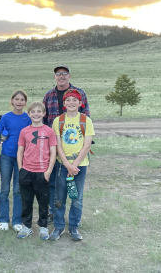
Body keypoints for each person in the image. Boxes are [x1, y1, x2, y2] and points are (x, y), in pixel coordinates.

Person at [42, 64, 90, 224]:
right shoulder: (48, 95)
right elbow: (42, 120)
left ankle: (74, 219)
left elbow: (86, 117)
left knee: (75, 187)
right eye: (58, 74)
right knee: (54, 183)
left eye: (64, 73)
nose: (61, 76)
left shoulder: (80, 93)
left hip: (75, 150)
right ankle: (53, 213)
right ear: (54, 76)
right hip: (53, 147)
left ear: (70, 76)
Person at [50, 89, 95, 241]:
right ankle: (59, 226)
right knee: (59, 197)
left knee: (77, 197)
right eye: (68, 100)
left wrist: (74, 165)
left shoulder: (85, 120)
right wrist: (67, 165)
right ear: (64, 104)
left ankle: (74, 226)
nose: (71, 103)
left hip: (80, 165)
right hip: (62, 165)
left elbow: (87, 145)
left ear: (80, 103)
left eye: (74, 100)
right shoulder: (58, 121)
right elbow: (57, 145)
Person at [16, 101, 57, 240]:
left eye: (39, 111)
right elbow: (20, 151)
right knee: (26, 201)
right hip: (26, 172)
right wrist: (21, 169)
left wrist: (48, 171)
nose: (36, 114)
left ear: (44, 114)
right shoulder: (24, 131)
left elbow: (53, 152)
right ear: (29, 114)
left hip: (42, 172)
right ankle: (26, 226)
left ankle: (43, 227)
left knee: (43, 202)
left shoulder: (49, 131)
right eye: (33, 111)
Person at [0, 90, 31, 232]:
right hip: (6, 157)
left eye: (22, 100)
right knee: (4, 189)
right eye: (17, 99)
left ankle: (16, 220)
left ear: (25, 102)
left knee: (18, 190)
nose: (19, 102)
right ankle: (3, 219)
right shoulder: (6, 118)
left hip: (23, 158)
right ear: (12, 101)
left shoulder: (28, 118)